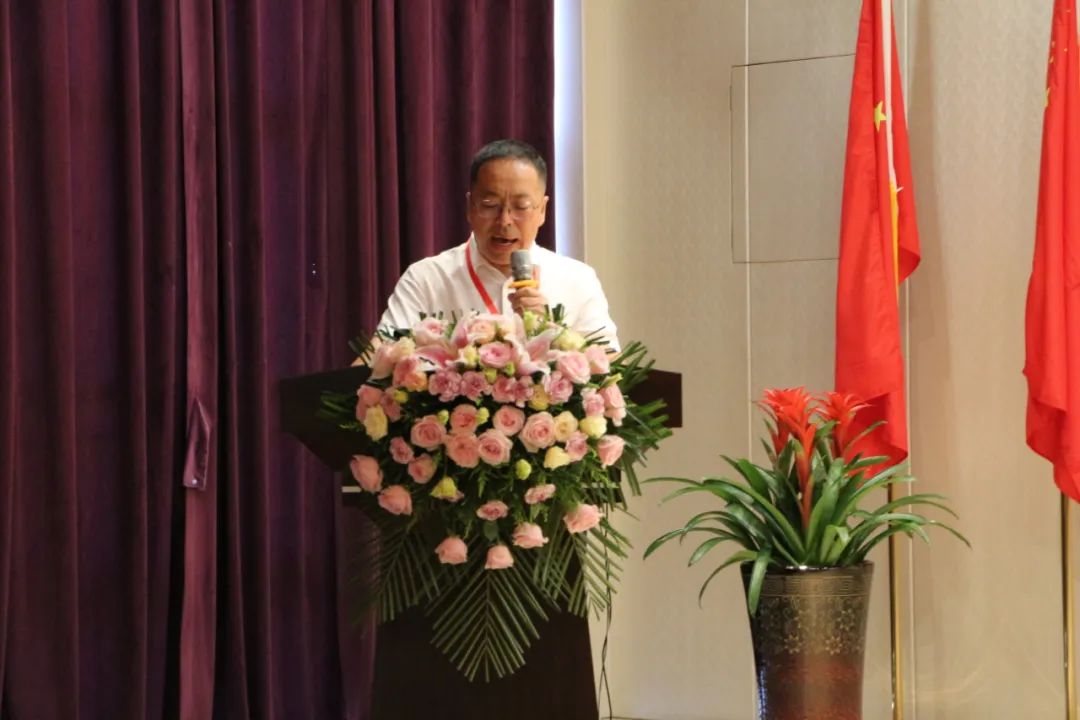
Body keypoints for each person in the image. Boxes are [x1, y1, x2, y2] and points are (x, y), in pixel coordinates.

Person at [377, 139, 619, 349]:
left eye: (521, 207)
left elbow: (612, 368)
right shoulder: (426, 279)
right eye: (490, 205)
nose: (504, 221)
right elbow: (377, 358)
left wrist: (556, 334)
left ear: (542, 210)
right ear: (470, 207)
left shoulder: (578, 279)